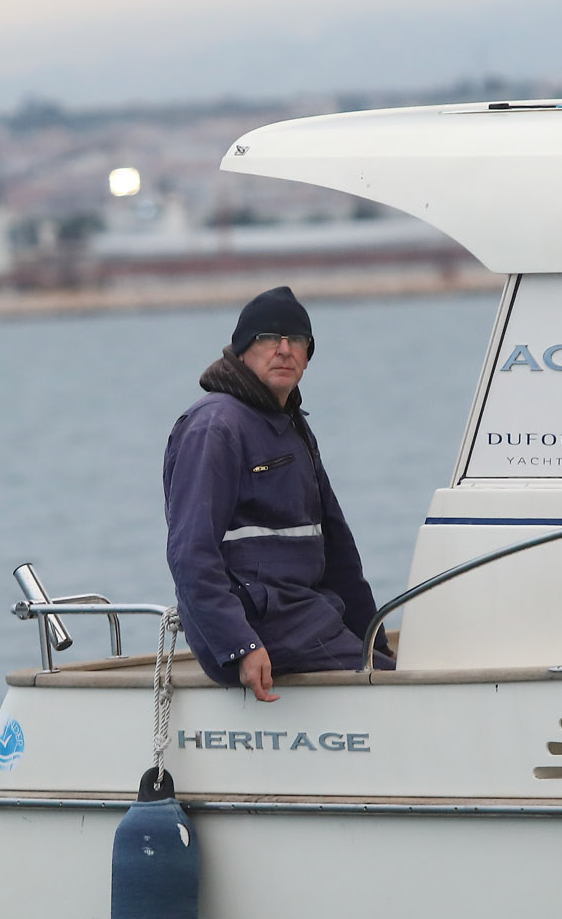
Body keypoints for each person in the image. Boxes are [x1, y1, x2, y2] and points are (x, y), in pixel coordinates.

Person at [163, 286, 393, 701]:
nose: (284, 350)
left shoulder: (291, 425)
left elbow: (337, 548)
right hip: (261, 628)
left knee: (392, 669)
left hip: (305, 617)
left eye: (297, 340)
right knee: (393, 683)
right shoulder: (215, 426)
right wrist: (240, 646)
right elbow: (190, 553)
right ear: (243, 350)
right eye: (269, 338)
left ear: (308, 354)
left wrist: (372, 638)